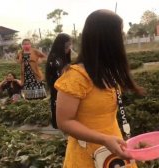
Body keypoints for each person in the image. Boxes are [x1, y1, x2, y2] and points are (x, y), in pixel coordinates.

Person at [54, 10, 142, 168]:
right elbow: (64, 122)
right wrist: (104, 139)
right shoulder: (76, 77)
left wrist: (111, 140)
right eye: (120, 33)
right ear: (108, 39)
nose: (123, 38)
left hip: (115, 151)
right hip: (88, 157)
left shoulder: (107, 72)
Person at [45, 33, 72, 129]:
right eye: (68, 44)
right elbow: (60, 74)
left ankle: (63, 122)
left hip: (63, 85)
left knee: (62, 103)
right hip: (57, 85)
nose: (69, 47)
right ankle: (58, 123)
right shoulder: (54, 57)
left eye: (70, 44)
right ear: (62, 44)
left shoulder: (63, 55)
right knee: (57, 102)